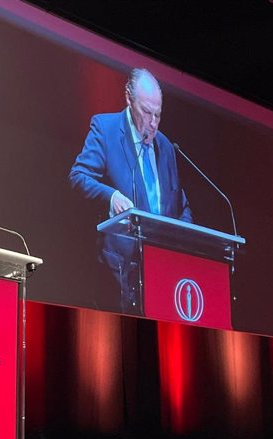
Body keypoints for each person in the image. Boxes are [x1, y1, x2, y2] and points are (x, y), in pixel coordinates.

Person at [69, 68, 192, 314]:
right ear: (128, 98)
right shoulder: (106, 128)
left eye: (158, 114)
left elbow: (180, 205)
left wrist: (185, 242)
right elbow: (78, 176)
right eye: (147, 112)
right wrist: (111, 196)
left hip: (164, 275)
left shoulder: (166, 147)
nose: (153, 122)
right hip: (119, 275)